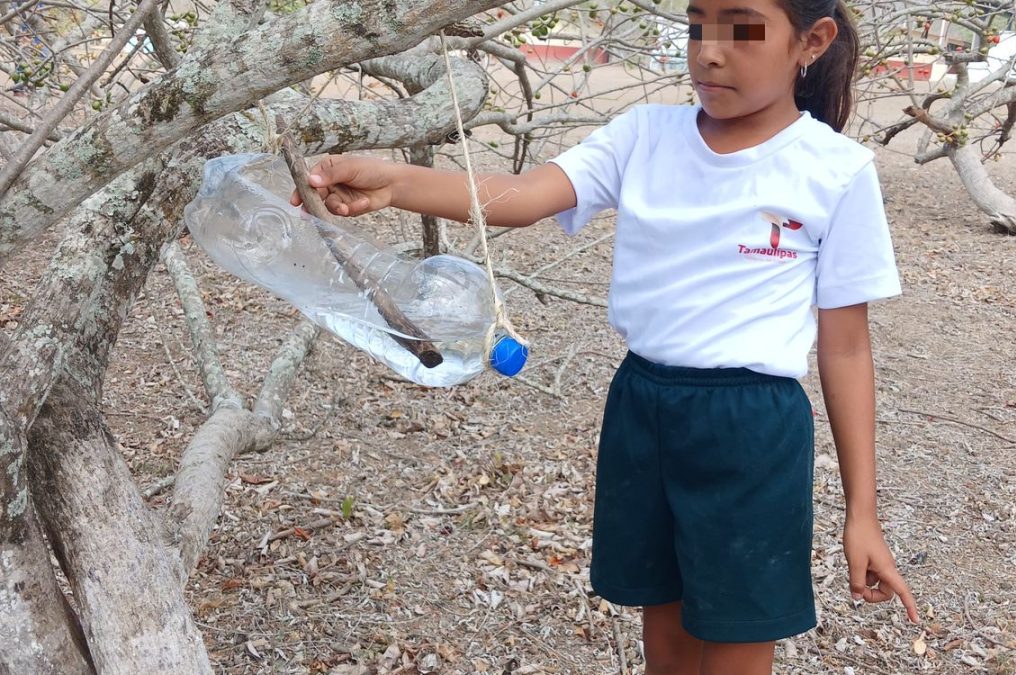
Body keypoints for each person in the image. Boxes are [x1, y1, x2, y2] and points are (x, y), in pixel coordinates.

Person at [293, 0, 919, 671]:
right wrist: (395, 182)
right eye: (697, 23)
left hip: (753, 431)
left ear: (811, 41)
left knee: (738, 638)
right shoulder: (643, 135)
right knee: (667, 641)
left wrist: (863, 510)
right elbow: (525, 193)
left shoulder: (836, 170)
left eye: (739, 28)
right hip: (644, 409)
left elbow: (846, 346)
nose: (709, 50)